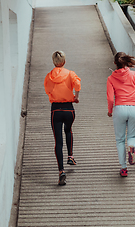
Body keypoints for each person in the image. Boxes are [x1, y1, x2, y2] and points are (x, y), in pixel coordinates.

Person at [107, 52, 135, 177]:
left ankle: (124, 169)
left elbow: (110, 99)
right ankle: (132, 145)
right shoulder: (134, 74)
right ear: (127, 62)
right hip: (134, 107)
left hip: (119, 108)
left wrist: (110, 111)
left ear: (115, 63)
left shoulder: (111, 78)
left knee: (120, 139)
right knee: (132, 136)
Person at [44, 50, 81, 185]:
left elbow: (47, 90)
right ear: (64, 62)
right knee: (68, 130)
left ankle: (61, 171)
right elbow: (77, 84)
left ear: (54, 62)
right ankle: (70, 156)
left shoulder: (49, 76)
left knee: (58, 140)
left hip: (56, 110)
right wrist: (76, 97)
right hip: (69, 109)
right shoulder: (70, 74)